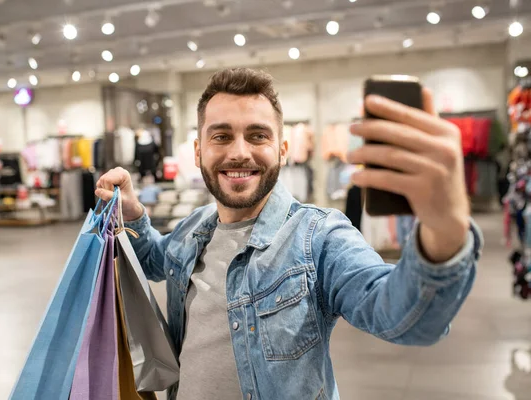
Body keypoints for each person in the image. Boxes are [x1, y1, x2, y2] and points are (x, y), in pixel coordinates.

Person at [96, 68, 483, 400]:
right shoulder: (195, 226)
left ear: (282, 149)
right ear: (198, 151)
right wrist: (135, 215)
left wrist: (444, 229)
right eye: (221, 136)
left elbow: (402, 317)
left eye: (258, 135)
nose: (240, 152)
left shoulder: (318, 237)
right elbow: (155, 260)